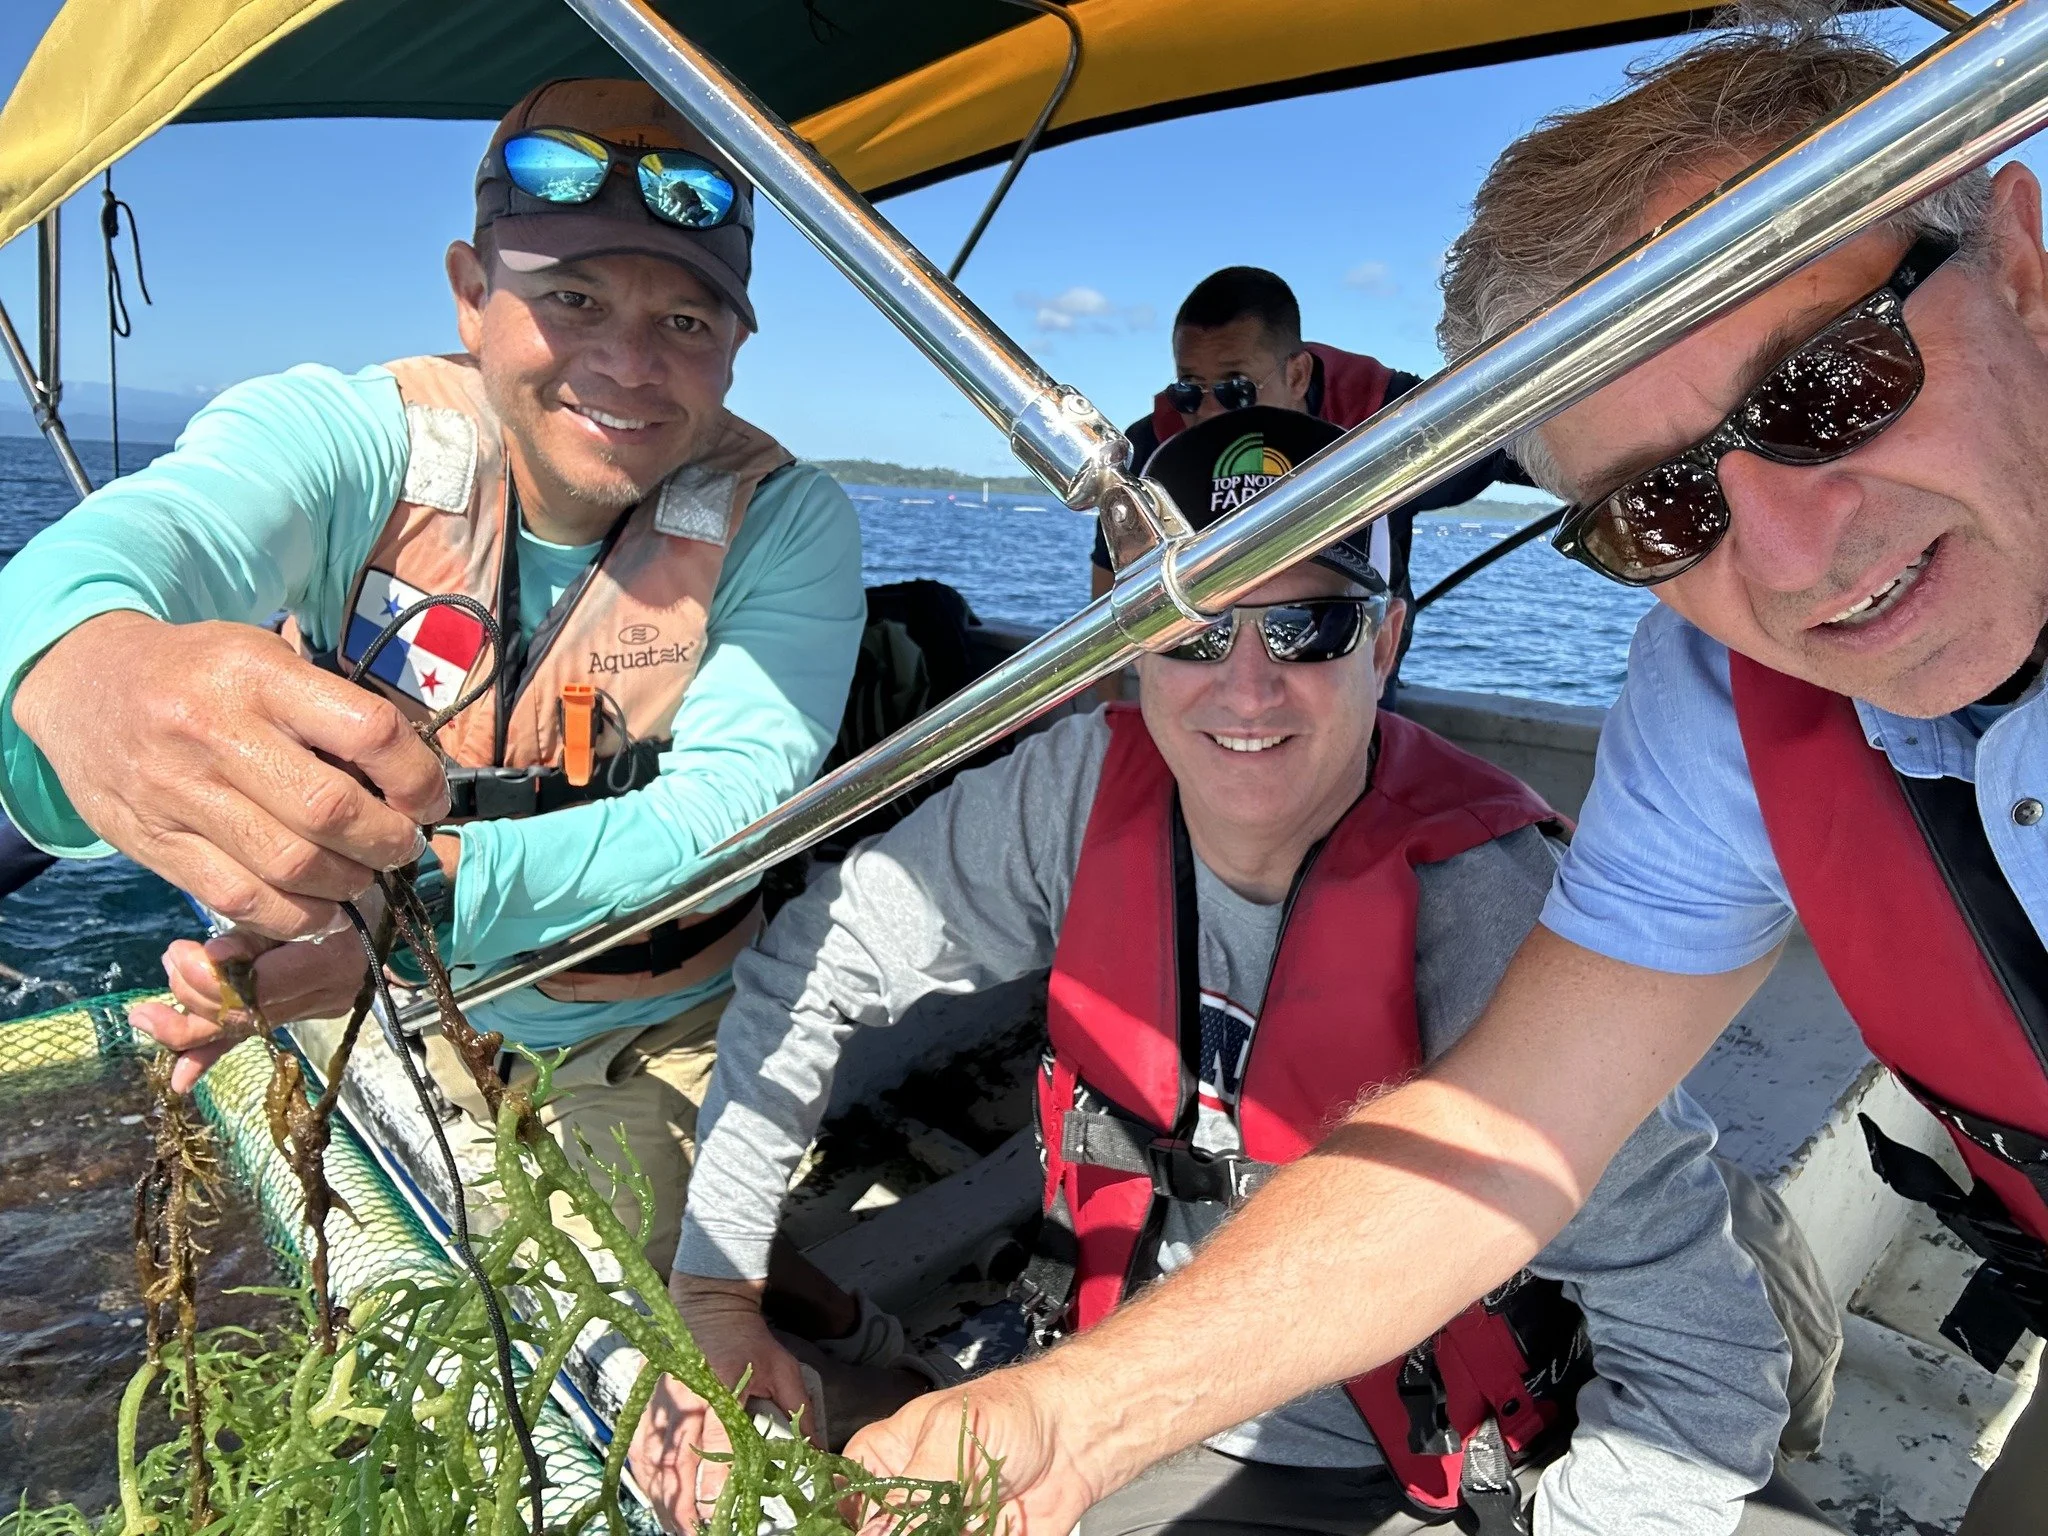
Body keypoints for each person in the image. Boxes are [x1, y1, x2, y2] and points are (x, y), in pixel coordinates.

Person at [840, 16, 2048, 1535]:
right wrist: (1072, 1421)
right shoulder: (1724, 698)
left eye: (1830, 386)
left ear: (2017, 262)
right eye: (1660, 508)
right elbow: (1502, 1134)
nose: (1798, 556)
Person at [632, 407, 1839, 1535]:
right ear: (1127, 649)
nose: (1247, 684)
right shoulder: (1067, 801)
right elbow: (816, 959)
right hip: (1104, 1346)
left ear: (1387, 640)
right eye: (1195, 624)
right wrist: (720, 1288)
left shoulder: (1486, 909)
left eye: (1306, 626)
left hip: (1383, 1444)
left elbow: (1702, 1358)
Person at [0, 78, 865, 1277]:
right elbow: (154, 536)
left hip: (634, 1025)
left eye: (686, 322)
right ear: (471, 294)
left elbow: (731, 808)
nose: (626, 363)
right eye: (571, 298)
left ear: (734, 350)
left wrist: (414, 916)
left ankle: (815, 1319)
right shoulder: (354, 437)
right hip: (378, 1004)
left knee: (656, 1339)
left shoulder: (786, 520)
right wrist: (85, 668)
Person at [1086, 268, 1527, 634]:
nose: (1207, 413)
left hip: (1344, 647)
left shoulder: (1392, 419)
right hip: (1199, 647)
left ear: (1297, 376)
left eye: (1235, 389)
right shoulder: (1152, 448)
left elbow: (1523, 443)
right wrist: (1107, 711)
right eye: (1188, 390)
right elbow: (1113, 583)